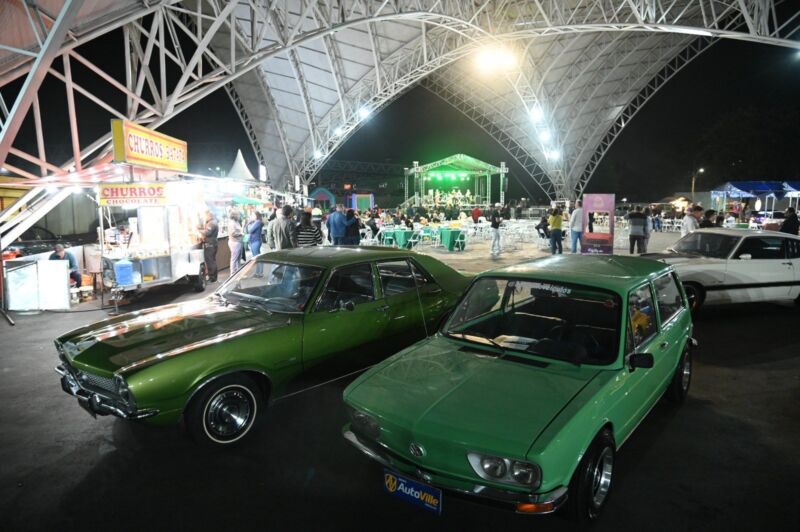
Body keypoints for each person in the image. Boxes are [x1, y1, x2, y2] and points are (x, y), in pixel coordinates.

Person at [199, 209, 218, 282]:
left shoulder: (211, 223)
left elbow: (207, 233)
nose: (205, 217)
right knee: (212, 260)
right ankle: (213, 276)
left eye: (205, 216)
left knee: (210, 261)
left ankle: (212, 277)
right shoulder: (212, 222)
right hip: (212, 244)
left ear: (209, 215)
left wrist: (199, 231)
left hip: (210, 244)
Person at [227, 210, 244, 276]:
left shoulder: (236, 222)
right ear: (235, 215)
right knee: (234, 259)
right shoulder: (232, 223)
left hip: (238, 241)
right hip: (235, 242)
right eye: (238, 215)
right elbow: (233, 233)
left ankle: (238, 272)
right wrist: (241, 234)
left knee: (238, 258)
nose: (239, 216)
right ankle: (233, 274)